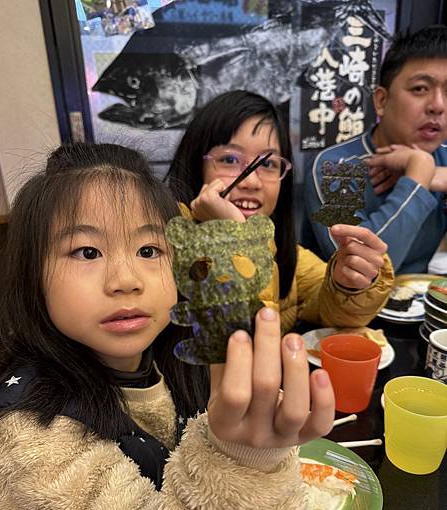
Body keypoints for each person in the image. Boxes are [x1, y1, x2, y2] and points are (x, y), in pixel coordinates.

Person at [0, 142, 335, 510]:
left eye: (150, 248)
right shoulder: (28, 428)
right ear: (31, 274)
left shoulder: (173, 351)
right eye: (87, 252)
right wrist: (237, 463)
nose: (126, 279)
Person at [167, 90, 394, 333]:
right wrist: (232, 235)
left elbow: (330, 308)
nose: (251, 182)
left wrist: (348, 284)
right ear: (195, 164)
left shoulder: (278, 246)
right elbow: (239, 337)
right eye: (230, 160)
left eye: (267, 164)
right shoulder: (164, 247)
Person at [303, 25, 447, 274]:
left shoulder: (444, 155)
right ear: (381, 101)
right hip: (353, 311)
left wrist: (436, 174)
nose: (438, 105)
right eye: (420, 89)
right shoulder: (338, 167)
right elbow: (362, 271)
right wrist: (419, 176)